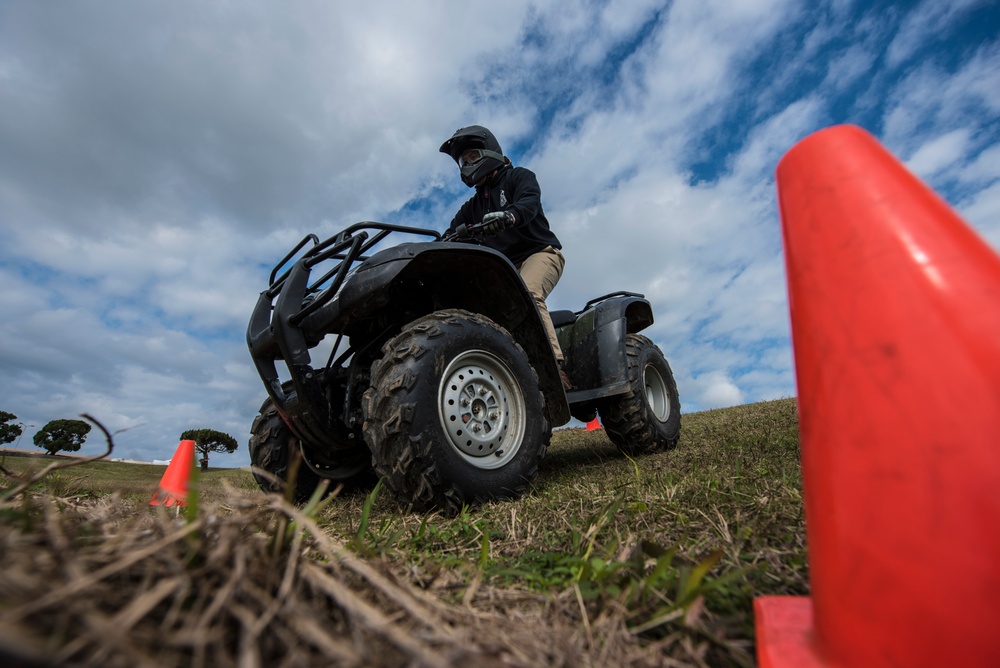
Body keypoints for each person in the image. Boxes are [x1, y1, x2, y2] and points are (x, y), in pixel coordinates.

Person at [440, 125, 571, 390]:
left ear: (491, 152)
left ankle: (555, 367)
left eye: (472, 157)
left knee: (529, 293)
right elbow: (448, 235)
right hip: (507, 270)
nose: (467, 165)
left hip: (540, 253)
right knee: (491, 316)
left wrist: (510, 215)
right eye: (463, 162)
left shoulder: (519, 177)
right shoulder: (472, 207)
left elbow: (529, 203)